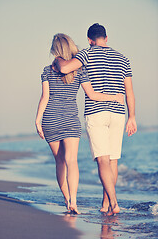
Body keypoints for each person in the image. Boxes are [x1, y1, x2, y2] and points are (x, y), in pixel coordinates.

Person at [35, 33, 124, 214]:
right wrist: (114, 97)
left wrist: (38, 120)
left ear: (55, 50)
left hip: (50, 119)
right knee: (72, 161)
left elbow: (44, 98)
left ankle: (68, 200)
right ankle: (74, 201)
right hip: (70, 119)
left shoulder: (47, 70)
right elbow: (92, 95)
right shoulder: (79, 71)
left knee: (60, 162)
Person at [54, 23, 137, 215]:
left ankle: (114, 203)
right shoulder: (123, 59)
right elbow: (129, 92)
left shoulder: (86, 54)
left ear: (90, 40)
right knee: (113, 161)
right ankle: (105, 204)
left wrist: (58, 59)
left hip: (96, 112)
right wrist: (132, 117)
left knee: (103, 160)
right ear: (106, 38)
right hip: (118, 113)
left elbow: (65, 69)